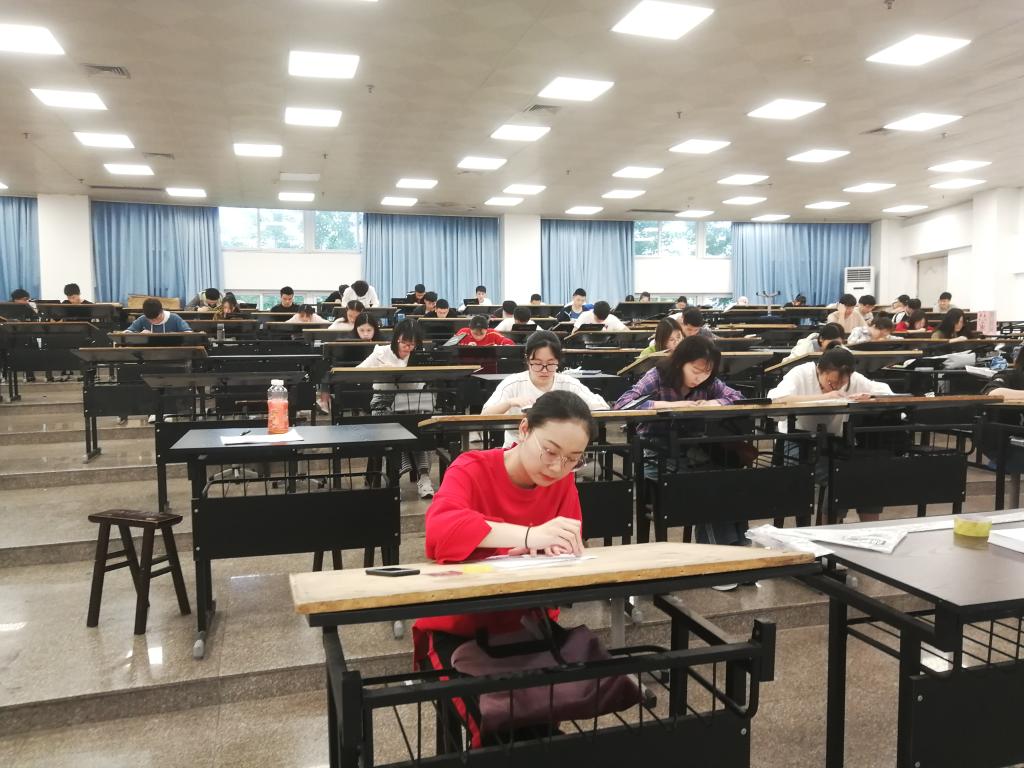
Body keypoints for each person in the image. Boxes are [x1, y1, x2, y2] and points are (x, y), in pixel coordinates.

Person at [415, 390, 594, 712]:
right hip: (458, 627)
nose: (557, 467)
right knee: (501, 722)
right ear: (524, 429)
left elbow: (570, 541)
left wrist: (555, 549)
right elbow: (440, 530)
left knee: (541, 720)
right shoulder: (472, 467)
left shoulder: (561, 482)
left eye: (572, 459)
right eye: (550, 451)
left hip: (527, 624)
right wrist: (529, 535)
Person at [613, 335, 745, 553]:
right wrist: (672, 405)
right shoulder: (658, 375)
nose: (700, 378)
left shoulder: (709, 381)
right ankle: (718, 553)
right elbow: (622, 404)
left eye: (707, 372)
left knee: (729, 482)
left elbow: (737, 397)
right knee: (708, 486)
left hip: (693, 451)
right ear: (680, 362)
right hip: (656, 455)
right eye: (695, 370)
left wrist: (714, 402)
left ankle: (737, 549)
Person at [767, 347, 893, 522]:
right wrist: (825, 397)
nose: (837, 386)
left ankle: (846, 525)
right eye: (831, 382)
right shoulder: (801, 373)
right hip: (797, 440)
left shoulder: (853, 379)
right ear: (820, 370)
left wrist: (870, 396)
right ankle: (823, 524)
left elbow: (886, 392)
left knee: (862, 474)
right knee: (828, 476)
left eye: (842, 383)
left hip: (833, 442)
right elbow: (776, 399)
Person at [482, 330, 609, 445]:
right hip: (518, 448)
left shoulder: (568, 383)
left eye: (550, 364)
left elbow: (602, 408)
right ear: (527, 360)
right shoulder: (513, 383)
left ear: (558, 361)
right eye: (537, 364)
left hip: (559, 450)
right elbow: (485, 415)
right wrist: (510, 402)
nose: (544, 370)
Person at [358, 319, 435, 498]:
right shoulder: (381, 353)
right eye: (404, 343)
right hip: (384, 400)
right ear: (396, 339)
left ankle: (424, 477)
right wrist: (381, 371)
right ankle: (395, 477)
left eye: (412, 344)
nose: (408, 348)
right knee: (396, 427)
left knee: (420, 426)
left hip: (411, 401)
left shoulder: (419, 356)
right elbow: (357, 372)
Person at [126, 298, 192, 333]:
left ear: (162, 311)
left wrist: (175, 335)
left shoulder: (174, 318)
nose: (154, 322)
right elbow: (127, 333)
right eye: (150, 320)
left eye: (157, 318)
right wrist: (140, 335)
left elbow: (189, 333)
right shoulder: (143, 319)